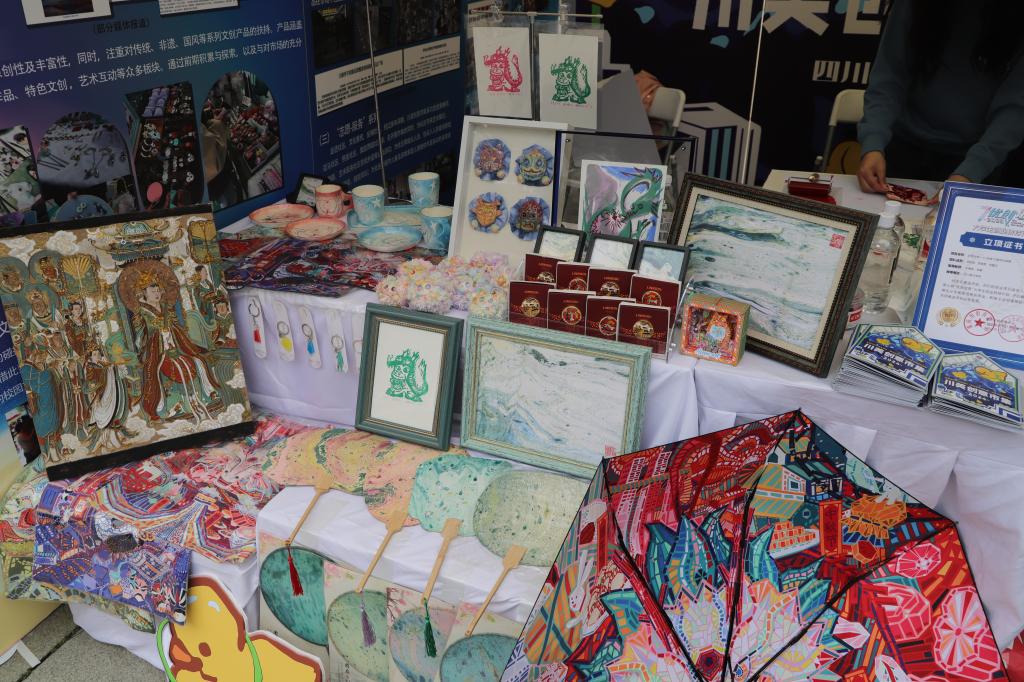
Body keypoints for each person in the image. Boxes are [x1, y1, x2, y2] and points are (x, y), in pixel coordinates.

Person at [858, 0, 1024, 193]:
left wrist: (971, 172)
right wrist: (873, 145)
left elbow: (1014, 110)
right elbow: (888, 79)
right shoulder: (914, 6)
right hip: (901, 146)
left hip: (977, 157)